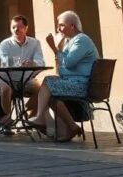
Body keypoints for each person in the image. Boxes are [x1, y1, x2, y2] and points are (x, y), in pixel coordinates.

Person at [27, 10, 99, 142]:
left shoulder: (81, 40)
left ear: (72, 26)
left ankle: (40, 117)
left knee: (48, 81)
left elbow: (69, 63)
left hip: (82, 85)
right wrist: (59, 48)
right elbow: (60, 70)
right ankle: (71, 127)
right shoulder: (70, 41)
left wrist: (54, 49)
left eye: (61, 25)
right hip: (73, 81)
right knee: (50, 93)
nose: (58, 28)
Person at [0, 14, 45, 113]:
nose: (16, 29)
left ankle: (30, 116)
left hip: (27, 80)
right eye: (13, 27)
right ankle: (8, 119)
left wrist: (33, 63)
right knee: (5, 90)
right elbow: (4, 62)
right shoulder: (5, 44)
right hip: (7, 79)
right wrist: (15, 62)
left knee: (43, 89)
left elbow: (41, 62)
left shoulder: (35, 43)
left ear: (26, 28)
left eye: (19, 27)